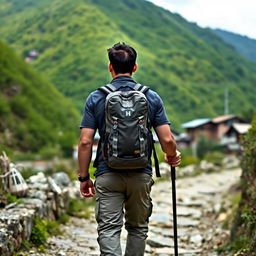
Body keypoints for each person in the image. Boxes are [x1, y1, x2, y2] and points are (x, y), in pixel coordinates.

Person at [78, 42, 181, 256]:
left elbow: (86, 142)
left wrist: (83, 177)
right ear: (135, 67)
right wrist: (172, 156)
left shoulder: (96, 97)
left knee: (108, 229)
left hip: (108, 173)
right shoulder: (151, 97)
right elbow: (167, 140)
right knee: (137, 228)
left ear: (110, 67)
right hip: (140, 174)